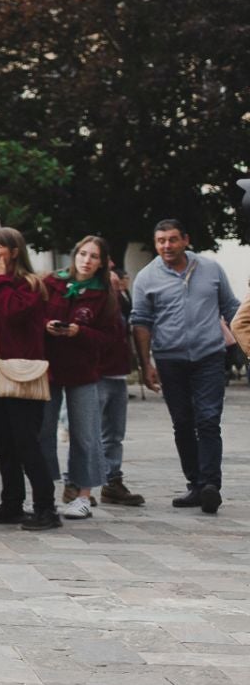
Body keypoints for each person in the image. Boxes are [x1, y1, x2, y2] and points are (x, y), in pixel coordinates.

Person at [133, 218, 240, 514]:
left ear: (186, 240)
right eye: (161, 241)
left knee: (208, 419)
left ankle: (210, 485)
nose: (167, 245)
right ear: (155, 244)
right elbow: (140, 321)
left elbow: (230, 307)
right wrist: (145, 364)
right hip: (170, 359)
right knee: (182, 422)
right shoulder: (146, 277)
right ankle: (195, 483)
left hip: (209, 356)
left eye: (172, 239)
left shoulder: (210, 268)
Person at [0, 227, 59, 531]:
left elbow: (12, 313)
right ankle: (11, 503)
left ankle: (45, 507)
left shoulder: (30, 285)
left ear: (14, 251)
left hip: (23, 373)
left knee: (27, 442)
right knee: (4, 443)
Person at [46, 236, 123, 519]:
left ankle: (83, 494)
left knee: (86, 433)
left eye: (93, 256)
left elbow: (110, 337)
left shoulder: (104, 293)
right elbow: (35, 317)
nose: (86, 260)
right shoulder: (52, 283)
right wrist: (47, 325)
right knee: (43, 430)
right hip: (49, 368)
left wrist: (80, 332)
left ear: (102, 262)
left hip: (83, 370)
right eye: (82, 254)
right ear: (74, 255)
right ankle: (44, 491)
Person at [99, 263, 144, 506]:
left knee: (114, 433)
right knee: (88, 433)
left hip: (117, 372)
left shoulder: (119, 299)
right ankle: (77, 484)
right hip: (96, 373)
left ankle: (112, 480)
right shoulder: (87, 299)